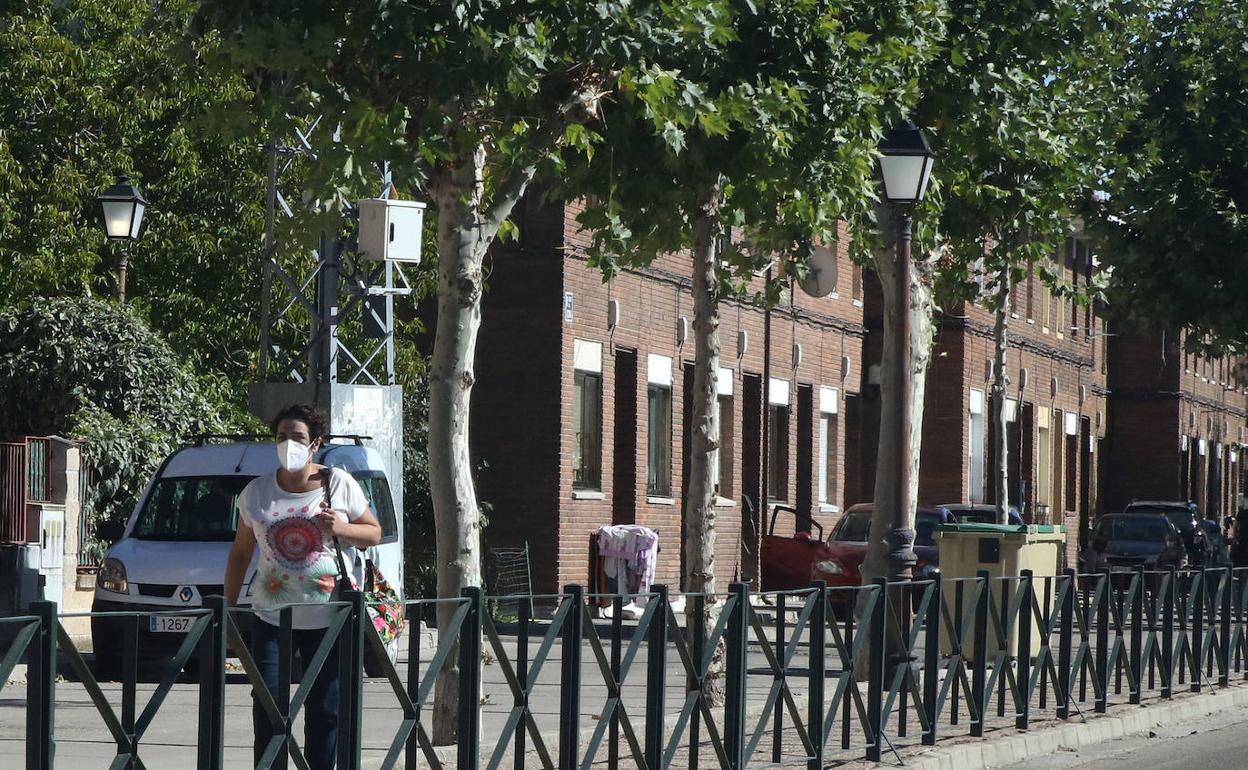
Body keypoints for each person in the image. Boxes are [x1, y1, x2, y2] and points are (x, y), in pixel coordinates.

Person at [224, 404, 382, 770]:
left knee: (326, 710)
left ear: (316, 444)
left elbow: (372, 532)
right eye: (281, 437)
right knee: (269, 710)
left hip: (329, 619)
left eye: (297, 437)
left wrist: (341, 528)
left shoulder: (338, 482)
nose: (288, 444)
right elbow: (239, 554)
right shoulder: (257, 493)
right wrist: (229, 611)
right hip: (270, 617)